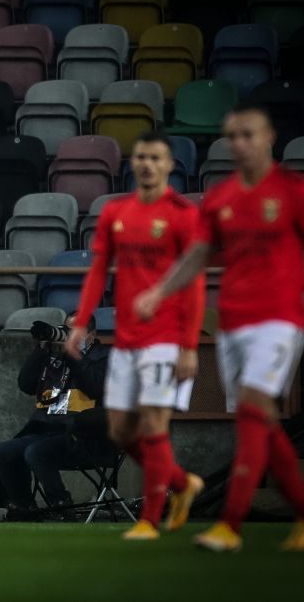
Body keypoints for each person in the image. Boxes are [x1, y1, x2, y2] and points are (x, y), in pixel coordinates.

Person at [134, 105, 304, 552]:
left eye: (248, 134)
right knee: (260, 421)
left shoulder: (295, 191)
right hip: (233, 324)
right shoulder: (220, 199)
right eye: (232, 136)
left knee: (255, 412)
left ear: (269, 136)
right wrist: (159, 292)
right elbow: (197, 257)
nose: (239, 143)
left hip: (279, 321)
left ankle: (230, 524)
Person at [65, 132, 206, 541]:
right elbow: (98, 271)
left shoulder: (182, 214)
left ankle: (150, 519)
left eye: (155, 158)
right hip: (124, 340)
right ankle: (182, 483)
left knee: (153, 426)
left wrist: (189, 344)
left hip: (165, 336)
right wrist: (80, 322)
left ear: (169, 165)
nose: (146, 164)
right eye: (140, 157)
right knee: (120, 432)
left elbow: (194, 282)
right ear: (132, 163)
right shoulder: (116, 212)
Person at [0, 312, 108, 520]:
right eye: (67, 329)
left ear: (92, 334)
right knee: (3, 452)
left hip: (83, 437)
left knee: (35, 452)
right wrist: (42, 349)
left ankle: (61, 505)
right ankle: (25, 507)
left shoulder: (104, 358)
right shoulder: (53, 355)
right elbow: (25, 385)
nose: (69, 335)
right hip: (46, 429)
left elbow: (94, 387)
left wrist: (73, 355)